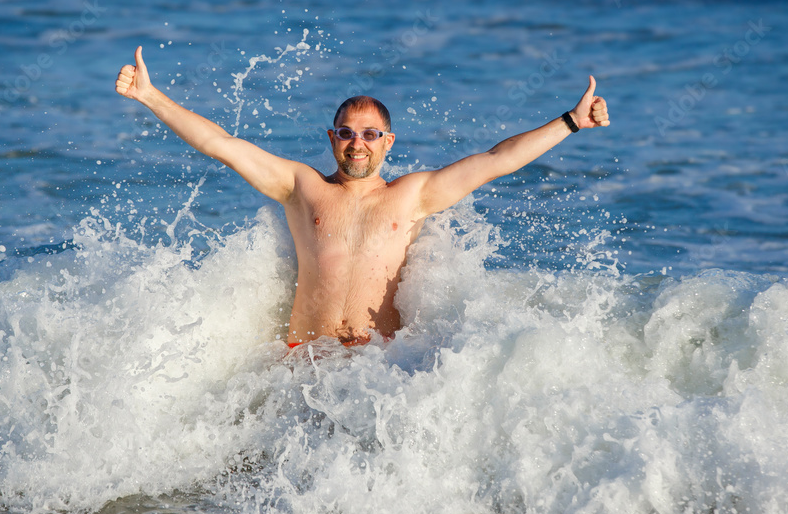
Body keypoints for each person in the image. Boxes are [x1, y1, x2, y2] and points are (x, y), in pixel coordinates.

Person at [115, 46, 609, 347]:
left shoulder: (413, 194)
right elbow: (221, 144)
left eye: (371, 134)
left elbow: (497, 160)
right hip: (302, 364)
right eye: (347, 133)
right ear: (332, 138)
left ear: (388, 143)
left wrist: (571, 121)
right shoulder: (300, 187)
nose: (358, 143)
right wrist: (150, 96)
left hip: (378, 370)